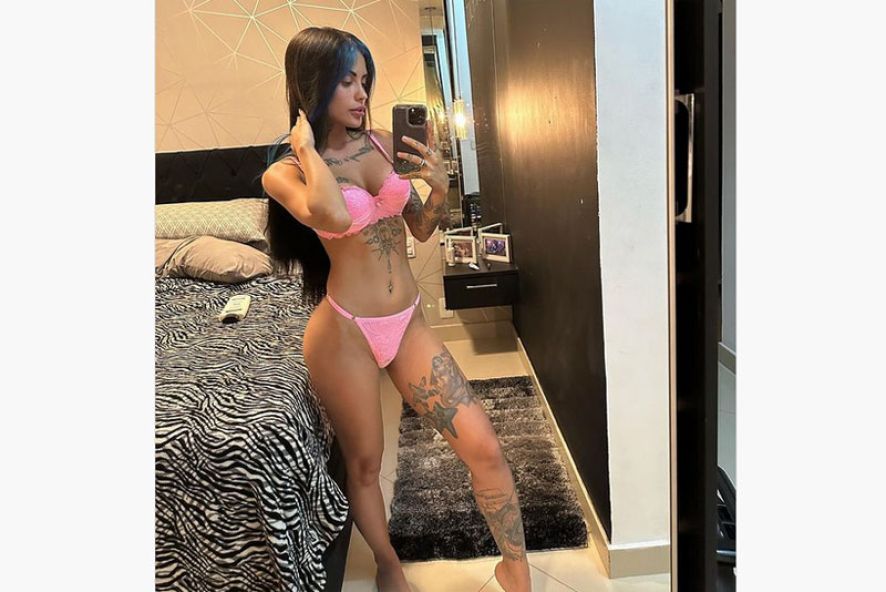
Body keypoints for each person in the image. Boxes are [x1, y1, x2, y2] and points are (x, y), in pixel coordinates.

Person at [261, 27, 532, 592]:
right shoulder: (285, 172)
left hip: (406, 323)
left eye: (365, 80)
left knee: (483, 445)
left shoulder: (384, 143)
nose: (362, 93)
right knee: (365, 463)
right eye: (347, 81)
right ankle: (388, 564)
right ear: (311, 84)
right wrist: (307, 147)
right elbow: (334, 217)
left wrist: (439, 191)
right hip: (344, 335)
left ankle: (515, 569)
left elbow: (422, 228)